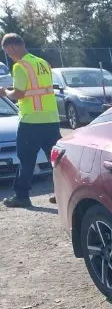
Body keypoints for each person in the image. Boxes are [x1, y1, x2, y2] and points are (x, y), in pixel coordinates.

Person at [1, 33, 61, 208]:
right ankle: (61, 192)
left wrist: (5, 93)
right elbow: (37, 89)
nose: (9, 55)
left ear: (12, 47)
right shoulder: (42, 63)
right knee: (56, 160)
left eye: (7, 52)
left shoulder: (20, 66)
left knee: (26, 159)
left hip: (31, 121)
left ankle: (21, 196)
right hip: (51, 118)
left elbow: (19, 94)